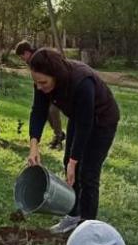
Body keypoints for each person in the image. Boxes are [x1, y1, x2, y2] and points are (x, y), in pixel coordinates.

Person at [26, 48, 120, 234]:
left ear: (56, 75)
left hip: (102, 122)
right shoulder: (42, 82)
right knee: (68, 165)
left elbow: (86, 124)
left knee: (87, 173)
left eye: (43, 82)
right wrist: (34, 146)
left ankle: (87, 228)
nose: (39, 87)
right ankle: (73, 215)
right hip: (79, 118)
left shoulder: (82, 81)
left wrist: (74, 160)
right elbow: (38, 111)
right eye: (36, 82)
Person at [15, 40, 65, 149]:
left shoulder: (42, 58)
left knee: (53, 110)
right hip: (45, 89)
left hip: (59, 89)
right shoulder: (31, 62)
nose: (22, 59)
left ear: (27, 52)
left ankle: (59, 137)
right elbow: (38, 109)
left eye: (22, 56)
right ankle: (59, 133)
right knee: (45, 111)